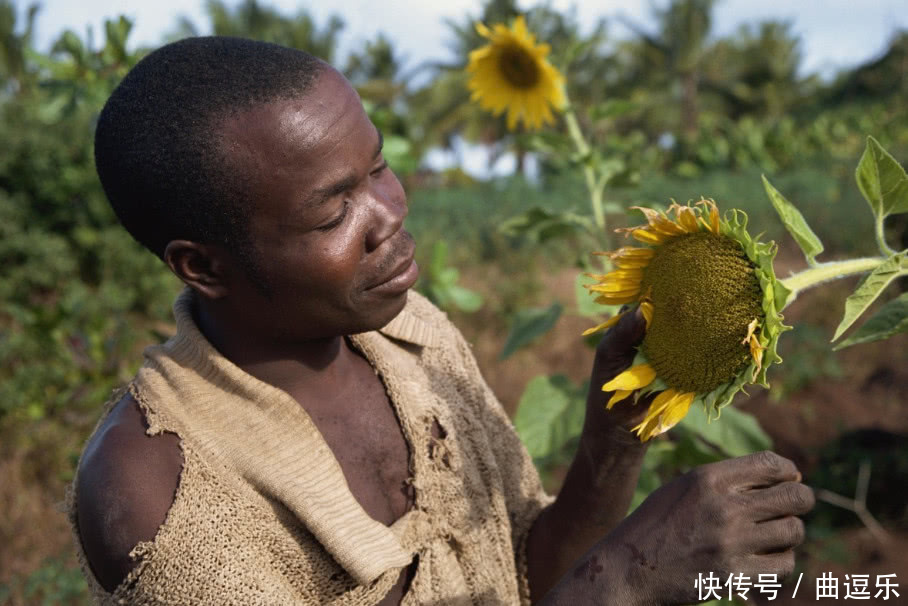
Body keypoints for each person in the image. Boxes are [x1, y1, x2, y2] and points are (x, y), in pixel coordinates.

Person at [68, 36, 814, 605]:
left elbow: (524, 573)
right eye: (334, 209)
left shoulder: (412, 337)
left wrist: (612, 442)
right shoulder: (160, 497)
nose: (390, 214)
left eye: (380, 169)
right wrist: (624, 574)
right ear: (203, 267)